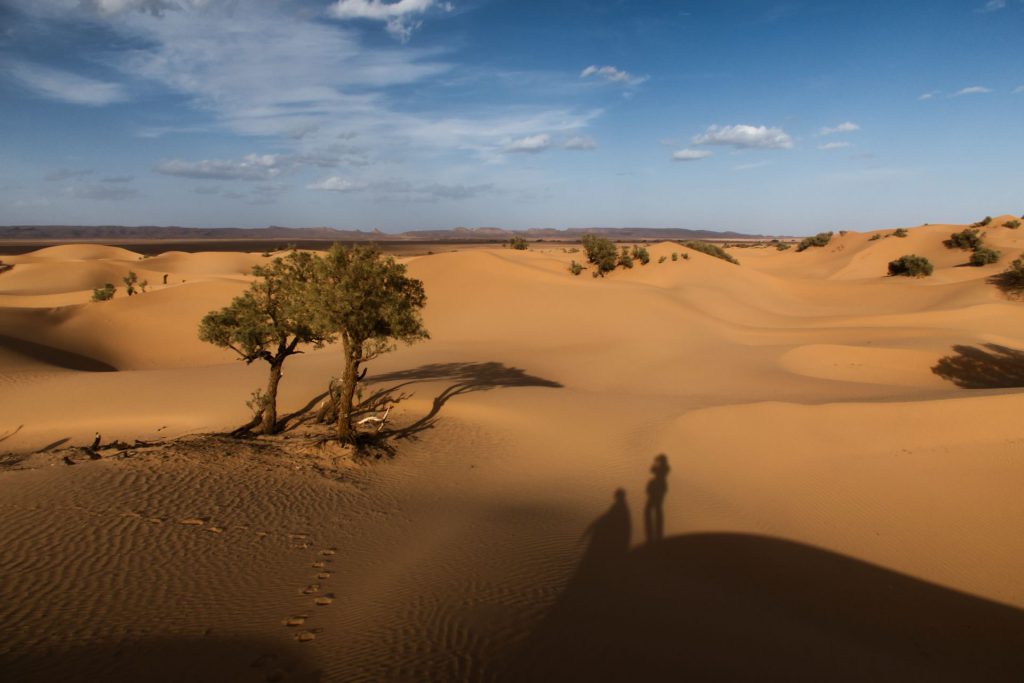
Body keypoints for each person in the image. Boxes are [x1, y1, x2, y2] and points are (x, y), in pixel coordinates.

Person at [644, 454, 670, 544]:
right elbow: (652, 470)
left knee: (654, 509)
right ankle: (656, 533)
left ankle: (655, 534)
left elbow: (652, 470)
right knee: (655, 509)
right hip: (659, 488)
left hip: (658, 489)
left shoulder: (665, 468)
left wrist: (655, 462)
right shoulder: (665, 467)